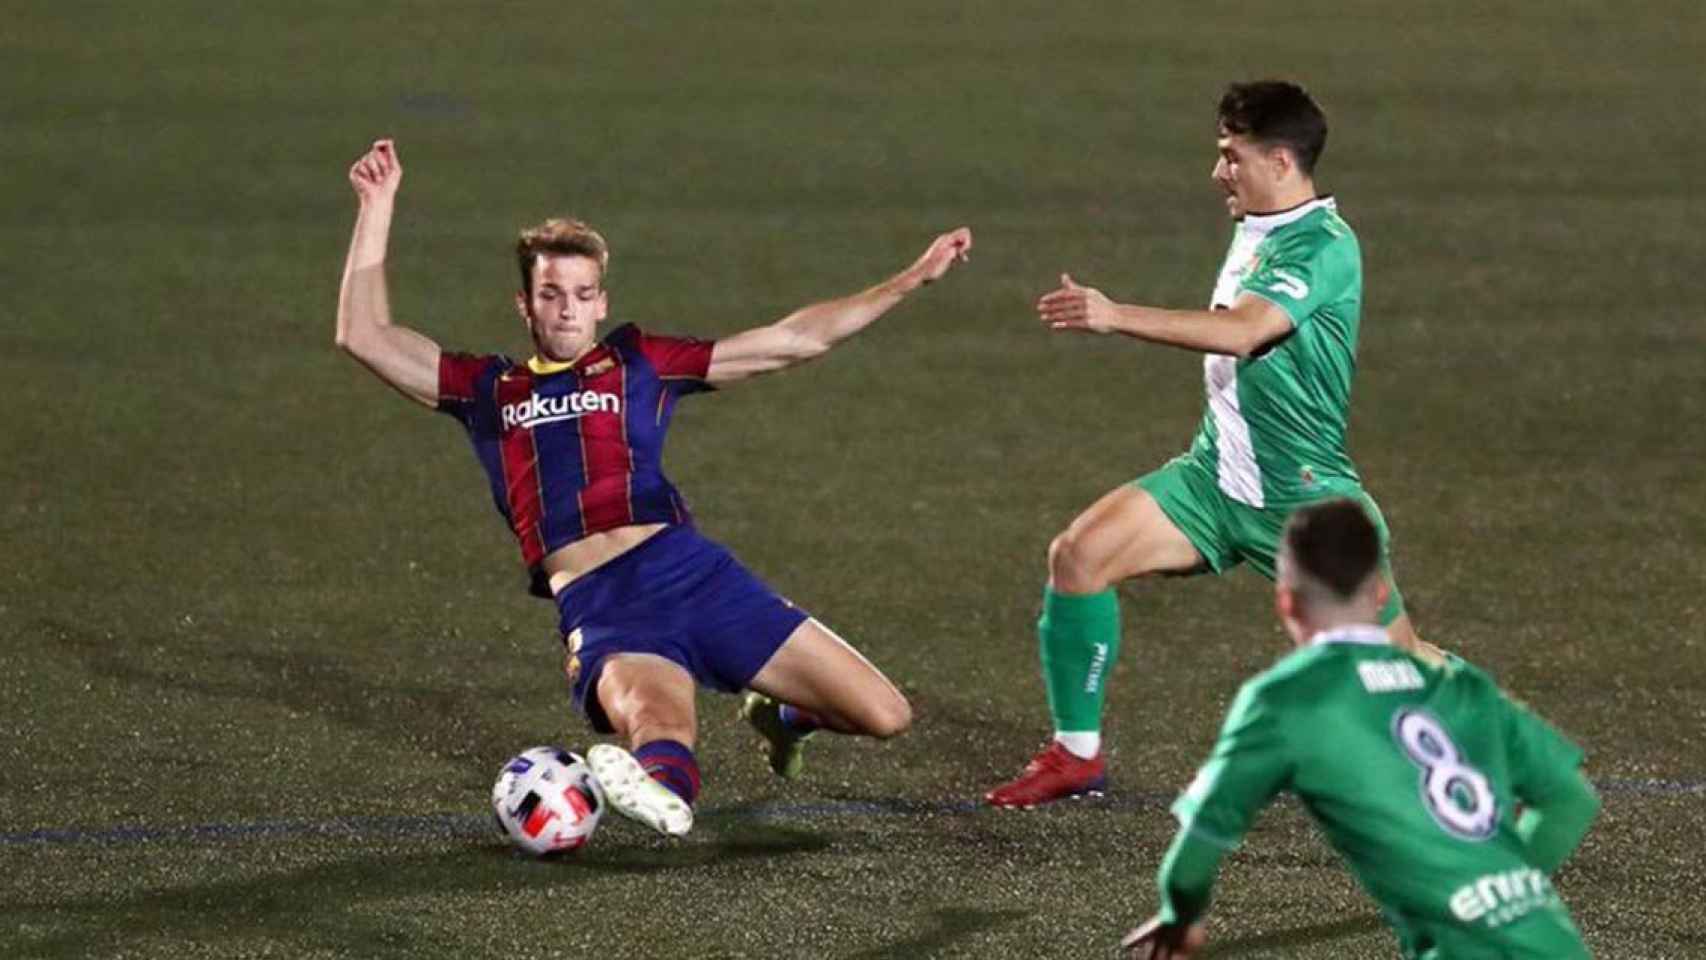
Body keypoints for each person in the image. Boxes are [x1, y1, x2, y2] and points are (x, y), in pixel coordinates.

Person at [337, 138, 972, 837]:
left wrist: (910, 279)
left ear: (601, 301)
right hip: (604, 603)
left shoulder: (639, 363)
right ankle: (665, 794)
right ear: (525, 304)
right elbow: (363, 335)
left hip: (690, 570)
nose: (568, 310)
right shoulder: (489, 390)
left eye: (582, 295)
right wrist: (378, 204)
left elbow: (793, 340)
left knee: (887, 714)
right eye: (551, 295)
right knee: (663, 724)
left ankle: (780, 715)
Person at [988, 80, 1439, 808]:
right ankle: (1077, 755)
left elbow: (1243, 331)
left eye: (1232, 157)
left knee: (1394, 679)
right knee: (1079, 556)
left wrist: (1113, 315)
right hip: (1214, 481)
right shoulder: (1260, 224)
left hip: (1303, 502)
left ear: (1283, 161)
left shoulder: (1322, 245)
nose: (1217, 172)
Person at [1118, 499, 1598, 960]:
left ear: (1286, 602)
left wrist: (1181, 917)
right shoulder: (1460, 682)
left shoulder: (1285, 701)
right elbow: (1571, 800)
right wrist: (1501, 899)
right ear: (1380, 594)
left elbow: (1194, 857)